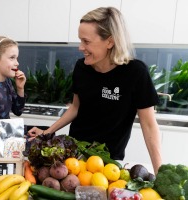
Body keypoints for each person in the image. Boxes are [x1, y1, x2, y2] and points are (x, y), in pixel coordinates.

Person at [28, 7, 162, 174]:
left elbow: (149, 125)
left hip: (108, 163)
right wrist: (46, 133)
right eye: (80, 40)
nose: (80, 47)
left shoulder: (135, 72)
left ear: (110, 41)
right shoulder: (81, 67)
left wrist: (160, 172)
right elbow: (75, 108)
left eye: (86, 41)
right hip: (74, 158)